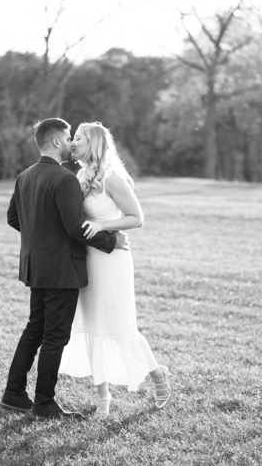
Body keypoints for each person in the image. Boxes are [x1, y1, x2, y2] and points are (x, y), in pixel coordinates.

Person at [0, 117, 127, 420]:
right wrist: (110, 240)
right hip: (61, 271)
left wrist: (40, 239)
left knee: (34, 329)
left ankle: (13, 394)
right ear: (56, 142)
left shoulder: (25, 176)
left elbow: (13, 219)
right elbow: (74, 228)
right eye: (69, 136)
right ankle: (44, 403)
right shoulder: (64, 178)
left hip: (35, 267)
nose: (72, 142)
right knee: (55, 337)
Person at [58, 121, 170, 416]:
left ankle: (157, 374)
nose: (73, 143)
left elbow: (137, 218)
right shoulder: (81, 176)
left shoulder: (111, 177)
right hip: (88, 260)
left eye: (78, 138)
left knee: (120, 326)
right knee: (93, 326)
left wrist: (102, 226)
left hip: (112, 261)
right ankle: (103, 398)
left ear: (92, 143)